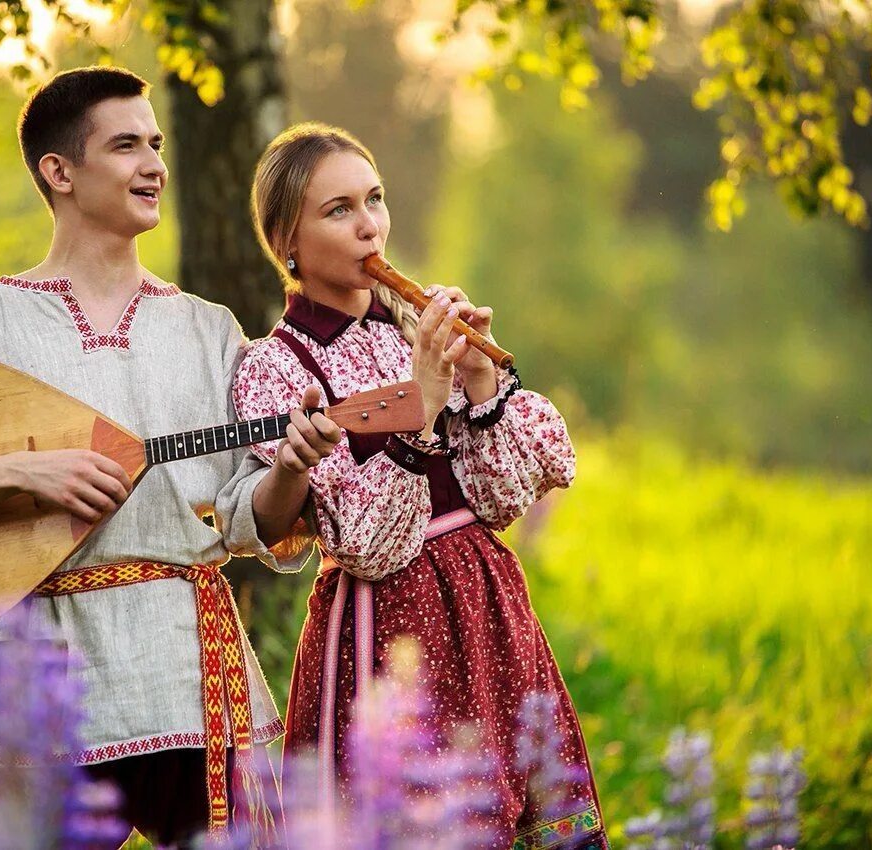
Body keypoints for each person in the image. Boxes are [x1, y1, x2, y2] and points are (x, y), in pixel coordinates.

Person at [0, 68, 341, 847]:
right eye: (126, 146)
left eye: (155, 143)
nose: (153, 163)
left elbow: (253, 514)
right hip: (39, 674)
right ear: (59, 171)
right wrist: (20, 471)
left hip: (187, 665)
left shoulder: (206, 328)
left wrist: (290, 467)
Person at [232, 122, 608, 848]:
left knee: (523, 808)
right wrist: (423, 407)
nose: (368, 223)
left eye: (373, 199)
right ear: (285, 239)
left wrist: (480, 382)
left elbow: (505, 499)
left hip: (488, 605)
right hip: (382, 627)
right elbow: (366, 546)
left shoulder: (417, 326)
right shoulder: (273, 368)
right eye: (337, 210)